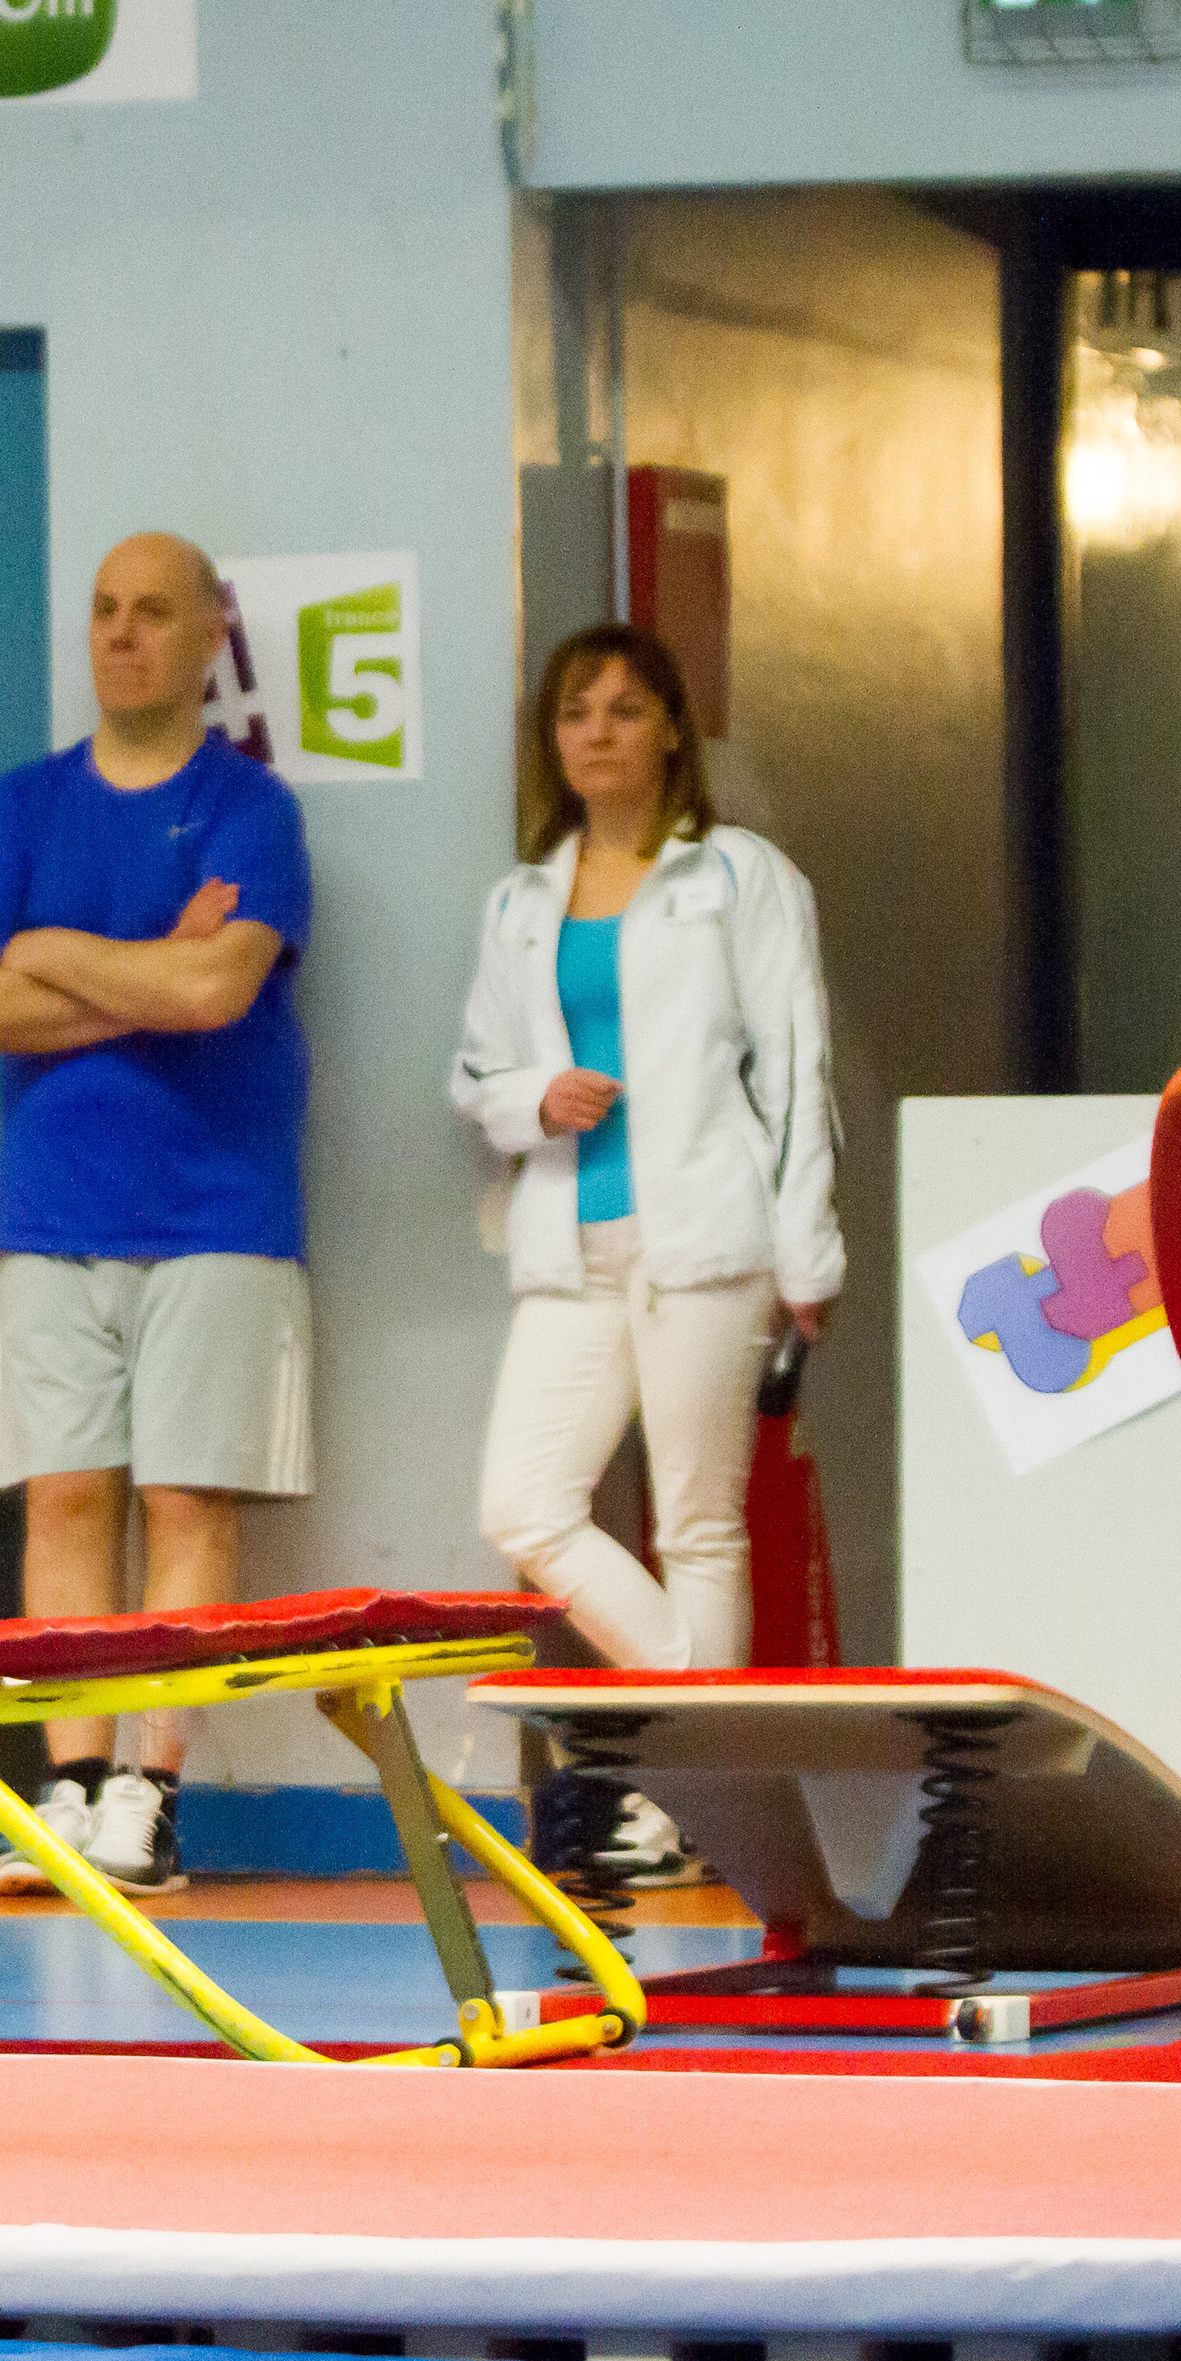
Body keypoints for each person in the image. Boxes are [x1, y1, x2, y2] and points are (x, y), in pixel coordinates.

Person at [0, 533, 316, 1900]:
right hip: (49, 1210)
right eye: (104, 611)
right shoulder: (19, 809)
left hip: (219, 1211)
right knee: (67, 1494)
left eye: (153, 611)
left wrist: (48, 959)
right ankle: (71, 1788)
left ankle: (152, 1796)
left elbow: (218, 994)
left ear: (210, 635)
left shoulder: (251, 810)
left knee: (187, 1496)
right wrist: (146, 974)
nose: (122, 634)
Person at [452, 623, 840, 1676]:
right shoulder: (522, 899)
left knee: (699, 1527)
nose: (599, 734)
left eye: (625, 711)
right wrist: (538, 1098)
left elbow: (796, 1069)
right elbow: (478, 1076)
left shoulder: (739, 875)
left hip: (706, 1234)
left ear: (671, 728)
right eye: (575, 715)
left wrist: (808, 1256)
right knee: (523, 1507)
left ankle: (685, 1761)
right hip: (570, 1246)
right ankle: (695, 1717)